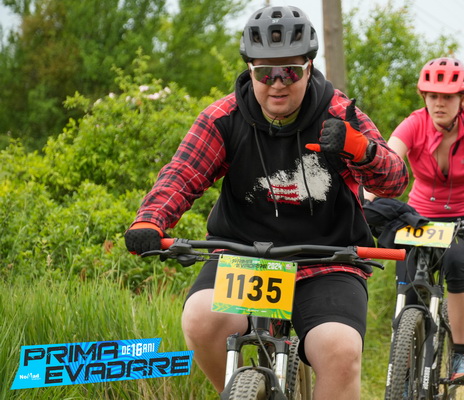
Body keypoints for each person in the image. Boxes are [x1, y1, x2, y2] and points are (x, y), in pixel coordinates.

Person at [124, 5, 408, 399]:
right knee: (200, 320)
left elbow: (394, 181)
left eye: (290, 72)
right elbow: (183, 173)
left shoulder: (339, 115)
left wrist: (363, 150)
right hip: (243, 256)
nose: (277, 84)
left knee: (339, 351)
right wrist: (150, 220)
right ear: (250, 70)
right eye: (264, 73)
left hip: (326, 259)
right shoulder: (223, 117)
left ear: (309, 68)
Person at [364, 57, 464, 385]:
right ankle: (403, 368)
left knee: (457, 264)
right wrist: (365, 201)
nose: (439, 103)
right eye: (433, 95)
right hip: (421, 218)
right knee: (407, 286)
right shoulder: (413, 124)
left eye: (447, 97)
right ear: (424, 96)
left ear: (462, 98)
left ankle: (462, 355)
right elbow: (385, 166)